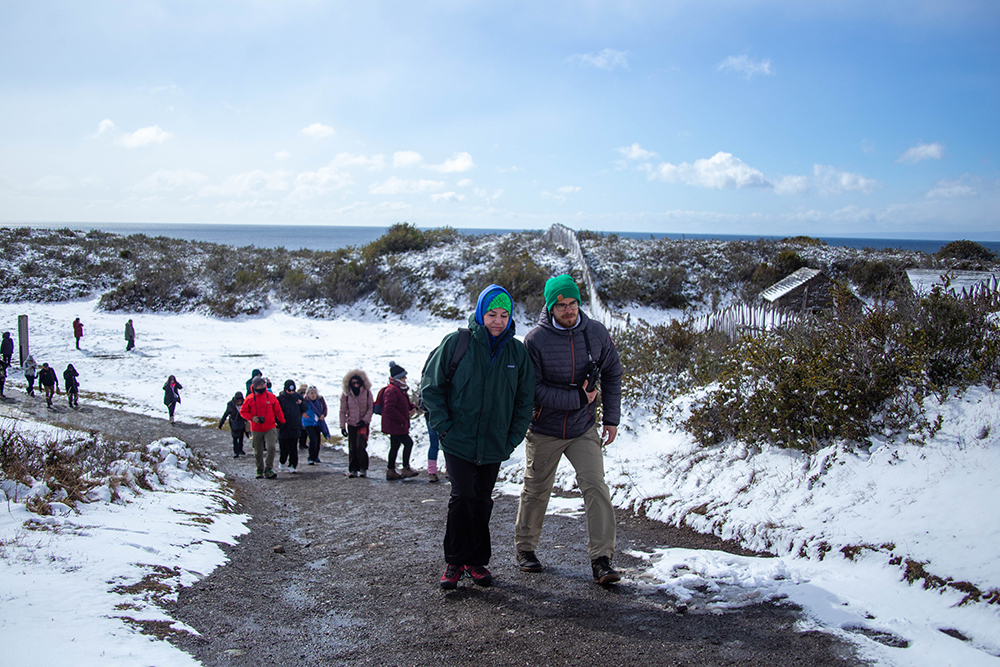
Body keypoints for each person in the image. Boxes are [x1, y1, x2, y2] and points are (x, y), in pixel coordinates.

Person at [421, 284, 534, 589]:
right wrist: (444, 427)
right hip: (458, 438)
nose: (498, 321)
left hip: (495, 441)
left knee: (483, 499)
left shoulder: (517, 352)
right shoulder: (457, 343)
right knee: (463, 496)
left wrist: (512, 438)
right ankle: (454, 562)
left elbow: (525, 400)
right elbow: (431, 388)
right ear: (481, 313)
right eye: (492, 314)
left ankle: (476, 561)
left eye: (504, 315)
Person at [514, 274, 624, 585]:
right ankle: (525, 549)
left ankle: (602, 559)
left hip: (582, 427)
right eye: (561, 305)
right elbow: (533, 389)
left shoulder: (596, 333)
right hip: (545, 428)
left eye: (573, 303)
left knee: (596, 487)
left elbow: (612, 372)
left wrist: (611, 419)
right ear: (550, 307)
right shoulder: (535, 340)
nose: (569, 310)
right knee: (536, 489)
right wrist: (577, 398)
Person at [240, 375, 285, 479]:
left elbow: (278, 410)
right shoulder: (249, 399)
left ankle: (268, 469)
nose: (262, 386)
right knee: (258, 451)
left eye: (263, 384)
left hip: (270, 426)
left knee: (271, 447)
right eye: (259, 385)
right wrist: (252, 418)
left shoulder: (271, 397)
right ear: (255, 386)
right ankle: (259, 469)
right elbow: (243, 412)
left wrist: (282, 422)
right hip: (256, 428)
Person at [380, 362, 419, 480]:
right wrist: (402, 419)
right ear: (398, 378)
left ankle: (391, 470)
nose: (405, 378)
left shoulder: (398, 389)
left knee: (395, 446)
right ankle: (405, 468)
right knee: (408, 443)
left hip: (397, 425)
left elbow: (403, 403)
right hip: (396, 425)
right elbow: (389, 408)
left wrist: (412, 406)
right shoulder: (392, 390)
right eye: (403, 376)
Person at [340, 369, 374, 478]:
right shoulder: (346, 394)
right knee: (352, 447)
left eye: (358, 382)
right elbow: (342, 411)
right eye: (353, 383)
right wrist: (342, 426)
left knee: (361, 446)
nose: (356, 385)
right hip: (351, 424)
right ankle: (353, 469)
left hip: (363, 424)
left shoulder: (367, 392)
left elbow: (371, 408)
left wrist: (365, 420)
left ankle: (363, 468)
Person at [277, 379, 306, 473]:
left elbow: (305, 408)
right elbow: (275, 411)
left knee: (294, 448)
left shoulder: (298, 397)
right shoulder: (280, 399)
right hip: (284, 426)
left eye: (293, 391)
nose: (291, 393)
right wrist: (277, 423)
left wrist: (301, 403)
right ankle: (282, 461)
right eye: (289, 391)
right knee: (284, 448)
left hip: (295, 426)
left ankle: (292, 465)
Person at [302, 386, 327, 464]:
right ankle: (311, 458)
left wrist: (323, 415)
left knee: (318, 440)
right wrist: (302, 414)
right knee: (313, 439)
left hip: (317, 422)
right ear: (308, 394)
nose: (313, 395)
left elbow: (325, 408)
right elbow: (298, 408)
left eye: (314, 393)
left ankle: (316, 456)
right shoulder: (305, 401)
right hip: (308, 422)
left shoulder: (320, 400)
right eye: (311, 393)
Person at [219, 391, 247, 458]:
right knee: (235, 437)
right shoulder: (230, 404)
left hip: (241, 422)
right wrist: (221, 424)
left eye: (240, 400)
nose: (239, 402)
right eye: (238, 400)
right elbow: (225, 414)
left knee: (241, 436)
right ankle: (236, 452)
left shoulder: (244, 404)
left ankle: (240, 449)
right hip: (233, 422)